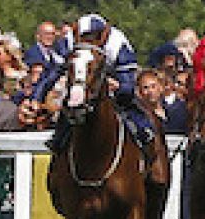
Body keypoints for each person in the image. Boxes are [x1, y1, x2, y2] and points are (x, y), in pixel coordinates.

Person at [38, 13, 154, 156]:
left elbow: (128, 88)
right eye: (85, 37)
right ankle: (58, 140)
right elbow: (52, 75)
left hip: (112, 88)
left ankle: (145, 137)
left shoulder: (119, 44)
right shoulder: (69, 42)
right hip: (81, 85)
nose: (88, 41)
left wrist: (118, 87)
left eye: (92, 37)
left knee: (131, 109)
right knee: (68, 110)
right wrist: (37, 98)